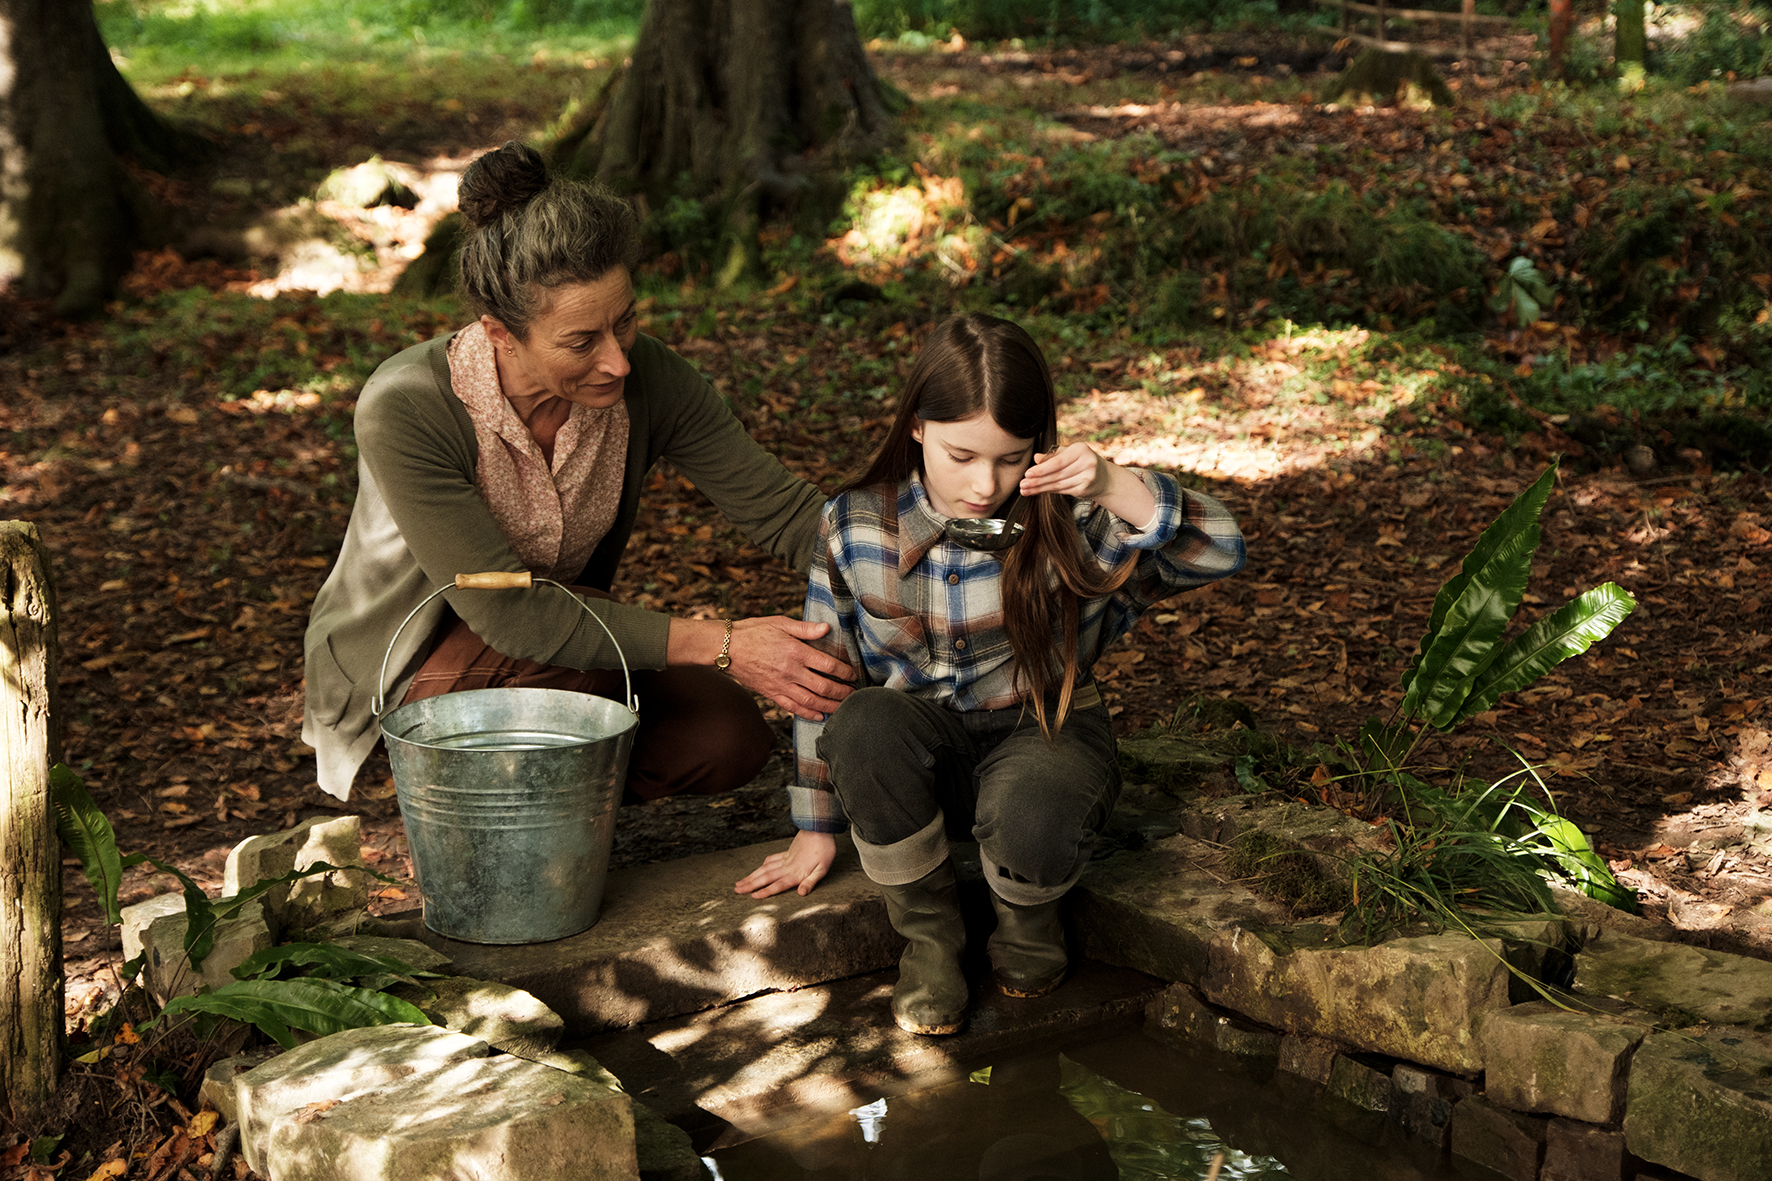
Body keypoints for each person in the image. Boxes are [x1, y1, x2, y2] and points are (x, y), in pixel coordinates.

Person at [734, 312, 1245, 1036]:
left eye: (1011, 457)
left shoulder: (1072, 518)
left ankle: (1029, 928)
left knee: (1034, 803)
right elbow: (822, 678)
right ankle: (931, 940)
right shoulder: (854, 525)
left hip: (1045, 732)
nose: (985, 482)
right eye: (962, 454)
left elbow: (1222, 549)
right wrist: (815, 825)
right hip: (922, 749)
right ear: (917, 426)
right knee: (864, 722)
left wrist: (1114, 484)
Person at [303, 141, 851, 803]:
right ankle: (478, 806)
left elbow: (786, 514)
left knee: (723, 739)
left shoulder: (649, 378)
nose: (618, 361)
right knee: (571, 667)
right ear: (501, 333)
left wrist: (905, 560)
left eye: (626, 322)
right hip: (411, 663)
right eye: (581, 341)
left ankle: (548, 799)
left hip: (556, 647)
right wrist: (729, 643)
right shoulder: (409, 408)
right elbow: (510, 612)